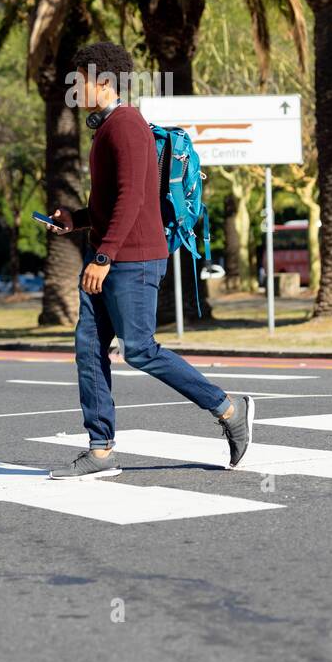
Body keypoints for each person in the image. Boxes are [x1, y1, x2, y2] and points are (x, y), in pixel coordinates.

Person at [47, 40, 254, 479]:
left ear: (100, 80)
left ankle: (228, 408)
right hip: (110, 254)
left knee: (139, 349)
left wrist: (102, 256)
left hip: (131, 260)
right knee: (89, 347)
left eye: (77, 80)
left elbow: (133, 197)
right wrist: (77, 220)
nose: (73, 88)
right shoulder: (109, 127)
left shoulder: (126, 125)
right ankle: (100, 451)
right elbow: (115, 202)